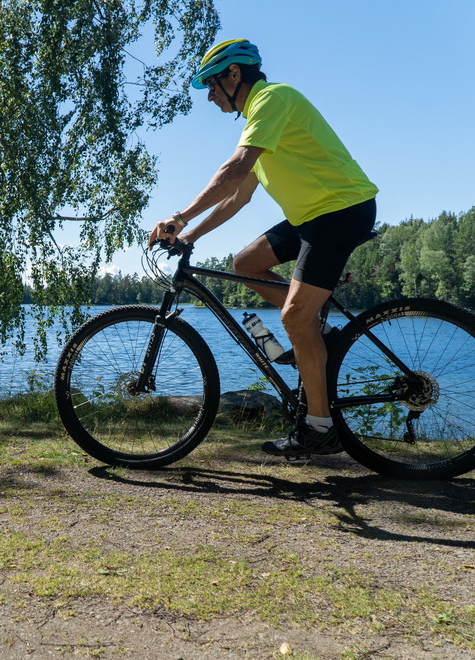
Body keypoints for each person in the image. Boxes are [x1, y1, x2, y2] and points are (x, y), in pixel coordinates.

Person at [148, 39, 378, 458]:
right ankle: (321, 333)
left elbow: (235, 170)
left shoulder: (272, 99)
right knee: (246, 263)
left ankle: (320, 429)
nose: (210, 96)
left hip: (340, 211)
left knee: (293, 318)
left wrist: (179, 217)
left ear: (234, 74)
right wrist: (190, 236)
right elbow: (238, 197)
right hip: (312, 217)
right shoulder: (261, 119)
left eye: (211, 84)